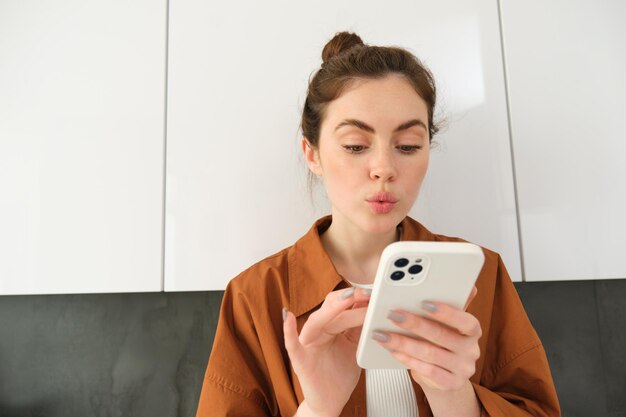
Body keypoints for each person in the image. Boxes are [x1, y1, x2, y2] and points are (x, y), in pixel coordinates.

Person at [195, 32, 561, 417]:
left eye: (407, 146)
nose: (385, 168)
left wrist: (456, 398)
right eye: (355, 145)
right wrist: (318, 408)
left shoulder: (482, 277)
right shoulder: (254, 297)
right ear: (312, 153)